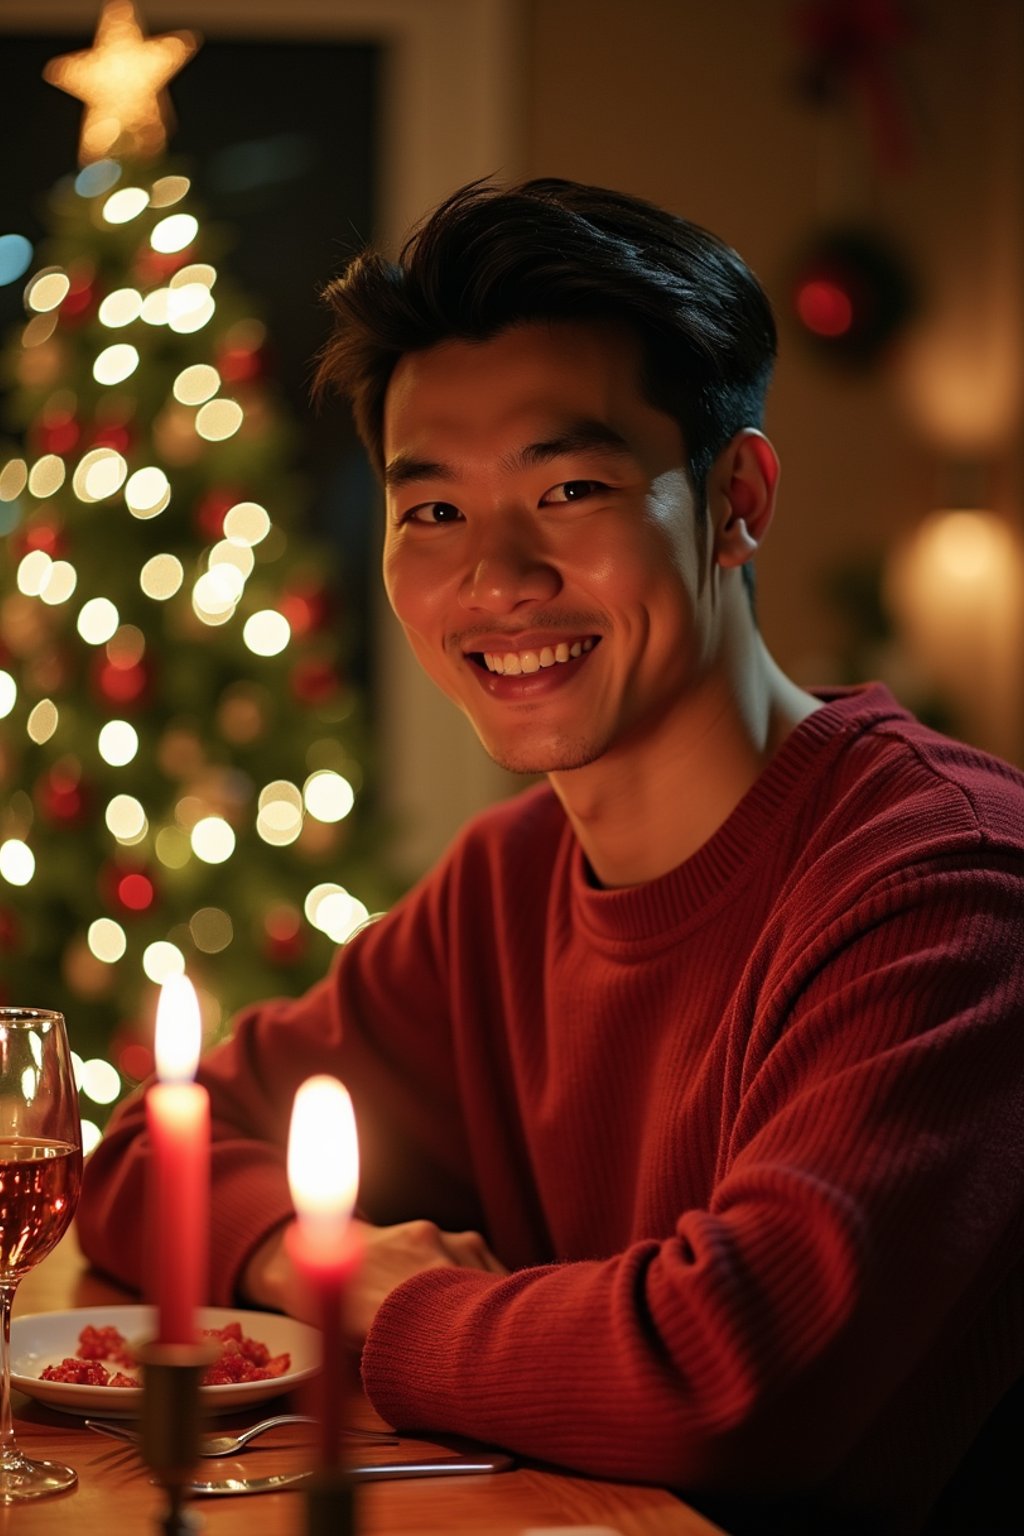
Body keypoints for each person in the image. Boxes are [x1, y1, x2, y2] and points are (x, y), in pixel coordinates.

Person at [78, 178, 1024, 1535]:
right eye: (432, 512)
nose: (497, 580)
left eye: (571, 488)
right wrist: (305, 1251)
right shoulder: (507, 885)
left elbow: (726, 1379)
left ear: (737, 497)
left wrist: (381, 1302)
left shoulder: (948, 885)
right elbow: (148, 1157)